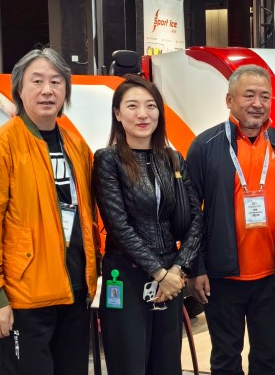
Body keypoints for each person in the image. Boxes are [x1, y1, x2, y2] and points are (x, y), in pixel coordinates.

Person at [0, 48, 99, 374]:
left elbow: (87, 217)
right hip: (24, 301)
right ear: (19, 88)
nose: (47, 90)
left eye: (56, 82)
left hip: (75, 295)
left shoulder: (76, 146)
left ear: (66, 91)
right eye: (37, 81)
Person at [186, 64, 275, 375]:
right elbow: (190, 213)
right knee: (226, 358)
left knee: (267, 356)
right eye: (249, 95)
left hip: (269, 276)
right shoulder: (205, 146)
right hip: (222, 277)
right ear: (229, 100)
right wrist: (196, 269)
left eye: (265, 96)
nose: (258, 103)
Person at [93, 75, 203, 374]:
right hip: (126, 275)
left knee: (167, 363)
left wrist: (178, 270)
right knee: (128, 363)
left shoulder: (173, 159)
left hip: (171, 275)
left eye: (150, 106)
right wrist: (159, 273)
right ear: (118, 114)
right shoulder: (108, 160)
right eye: (132, 106)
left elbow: (196, 218)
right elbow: (118, 225)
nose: (143, 114)